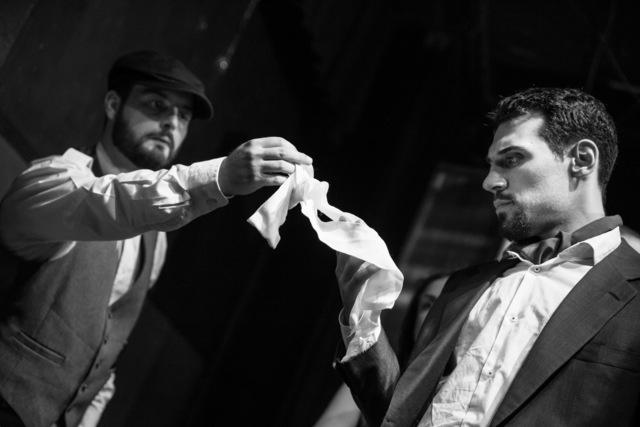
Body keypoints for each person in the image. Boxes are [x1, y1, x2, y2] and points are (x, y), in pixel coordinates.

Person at [0, 50, 312, 427]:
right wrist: (221, 177)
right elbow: (108, 202)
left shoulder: (155, 240)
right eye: (156, 105)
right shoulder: (54, 180)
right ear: (113, 105)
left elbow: (102, 360)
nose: (171, 123)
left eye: (183, 116)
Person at [334, 87, 640, 426]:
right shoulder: (463, 287)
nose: (490, 182)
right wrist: (362, 312)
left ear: (582, 159)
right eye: (491, 165)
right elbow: (398, 415)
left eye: (512, 159)